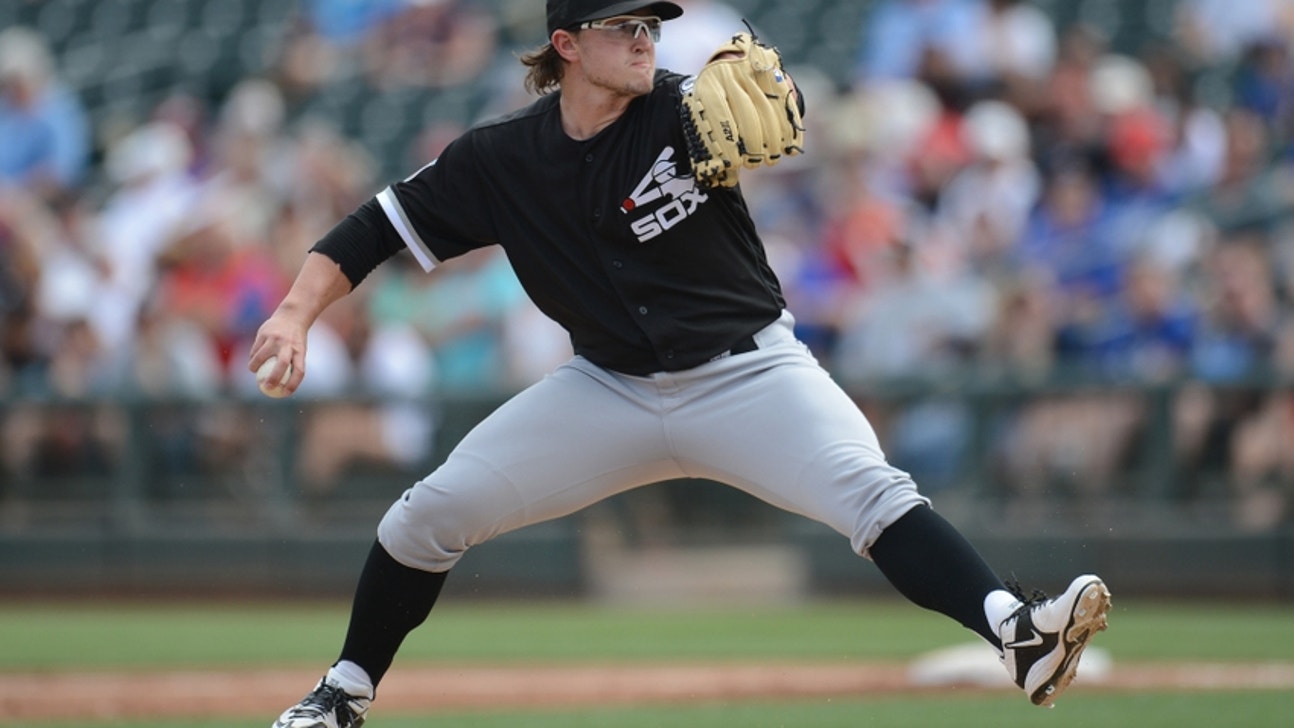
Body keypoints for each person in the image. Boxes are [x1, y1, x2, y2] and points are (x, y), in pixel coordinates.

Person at [254, 3, 1112, 726]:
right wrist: (295, 312)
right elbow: (375, 226)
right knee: (424, 517)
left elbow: (780, 105)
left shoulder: (685, 111)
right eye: (623, 25)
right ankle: (342, 695)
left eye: (651, 26)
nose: (645, 41)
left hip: (750, 375)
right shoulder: (501, 160)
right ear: (566, 45)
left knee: (875, 495)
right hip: (607, 389)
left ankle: (1019, 634)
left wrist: (794, 98)